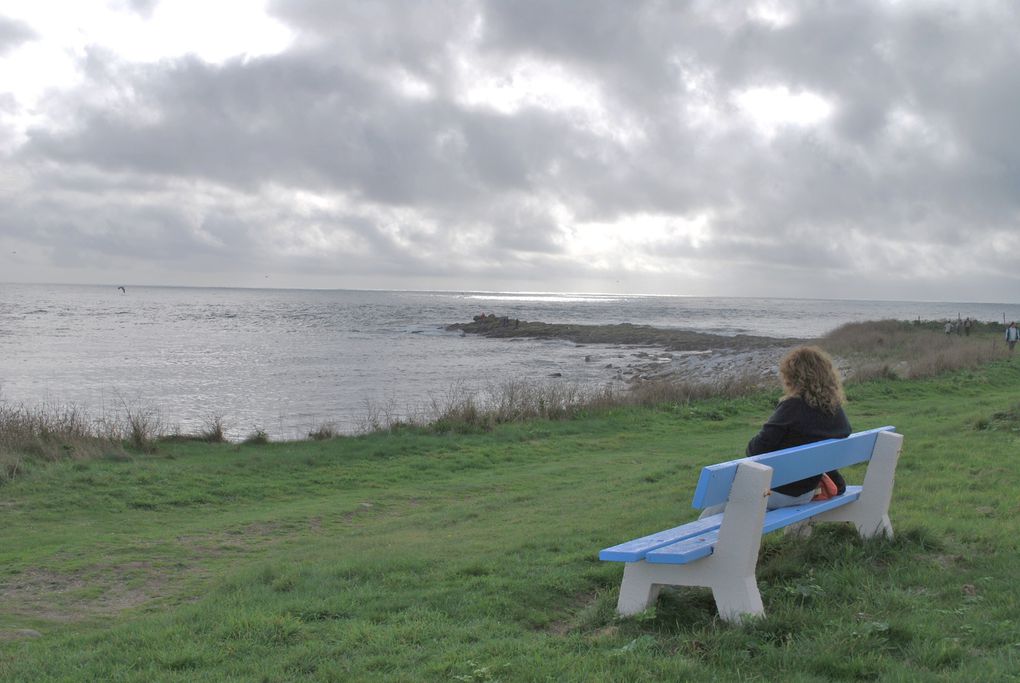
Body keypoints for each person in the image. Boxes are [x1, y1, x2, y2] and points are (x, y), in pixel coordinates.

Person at [747, 346, 852, 510]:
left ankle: (695, 535)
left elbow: (755, 451)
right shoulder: (835, 410)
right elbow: (846, 432)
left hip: (776, 492)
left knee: (717, 508)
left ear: (792, 377)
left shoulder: (792, 407)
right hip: (806, 492)